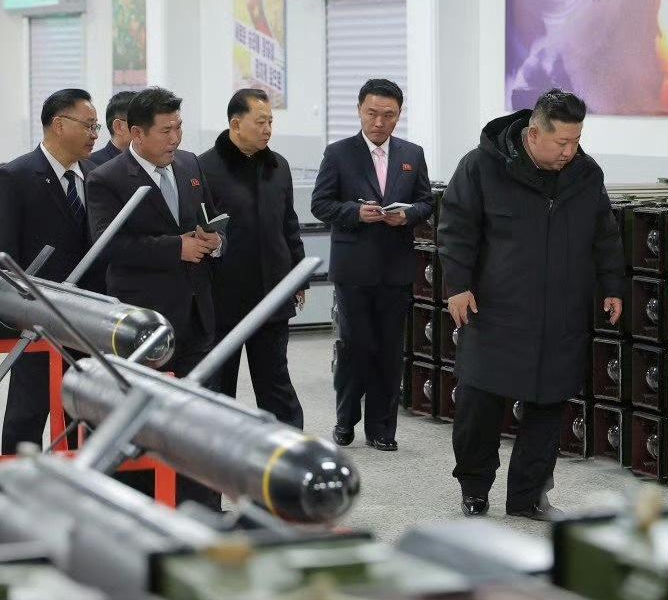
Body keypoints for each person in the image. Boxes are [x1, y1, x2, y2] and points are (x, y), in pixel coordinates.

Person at [437, 88, 625, 520]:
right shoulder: (481, 167)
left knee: (548, 407)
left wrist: (612, 286)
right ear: (533, 133)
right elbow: (456, 229)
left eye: (576, 141)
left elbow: (605, 235)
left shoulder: (585, 174)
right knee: (479, 406)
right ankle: (474, 488)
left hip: (561, 314)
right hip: (493, 311)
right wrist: (457, 285)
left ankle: (528, 496)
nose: (570, 151)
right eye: (562, 142)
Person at [86, 86, 223, 508]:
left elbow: (212, 219)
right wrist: (175, 248)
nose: (175, 139)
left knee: (201, 418)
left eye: (179, 127)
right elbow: (109, 246)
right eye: (166, 131)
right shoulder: (106, 179)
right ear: (136, 134)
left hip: (197, 313)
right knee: (145, 417)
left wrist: (216, 241)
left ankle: (202, 507)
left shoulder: (190, 164)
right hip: (143, 324)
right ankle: (144, 507)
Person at [311, 78, 433, 451]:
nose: (379, 122)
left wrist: (408, 215)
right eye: (372, 113)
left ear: (399, 115)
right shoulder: (339, 153)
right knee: (355, 347)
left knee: (390, 351)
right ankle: (346, 419)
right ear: (360, 110)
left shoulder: (412, 153)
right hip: (354, 269)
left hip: (396, 269)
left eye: (388, 115)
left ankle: (382, 429)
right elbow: (320, 204)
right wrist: (355, 212)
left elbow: (426, 202)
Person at [0, 88, 103, 453]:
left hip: (90, 319)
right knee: (27, 416)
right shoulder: (15, 176)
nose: (95, 135)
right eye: (88, 126)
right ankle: (15, 482)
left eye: (97, 127)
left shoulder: (96, 176)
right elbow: (6, 253)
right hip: (37, 319)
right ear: (59, 125)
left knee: (85, 416)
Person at [198, 88, 306, 428]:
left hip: (272, 292)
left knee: (275, 380)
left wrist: (299, 277)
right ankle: (218, 451)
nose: (267, 129)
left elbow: (289, 226)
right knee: (219, 384)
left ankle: (288, 446)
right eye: (260, 122)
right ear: (235, 124)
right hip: (223, 295)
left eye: (270, 121)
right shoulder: (204, 168)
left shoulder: (278, 166)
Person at [89, 90, 137, 166]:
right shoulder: (91, 165)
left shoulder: (150, 161)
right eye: (141, 123)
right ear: (119, 127)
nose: (148, 129)